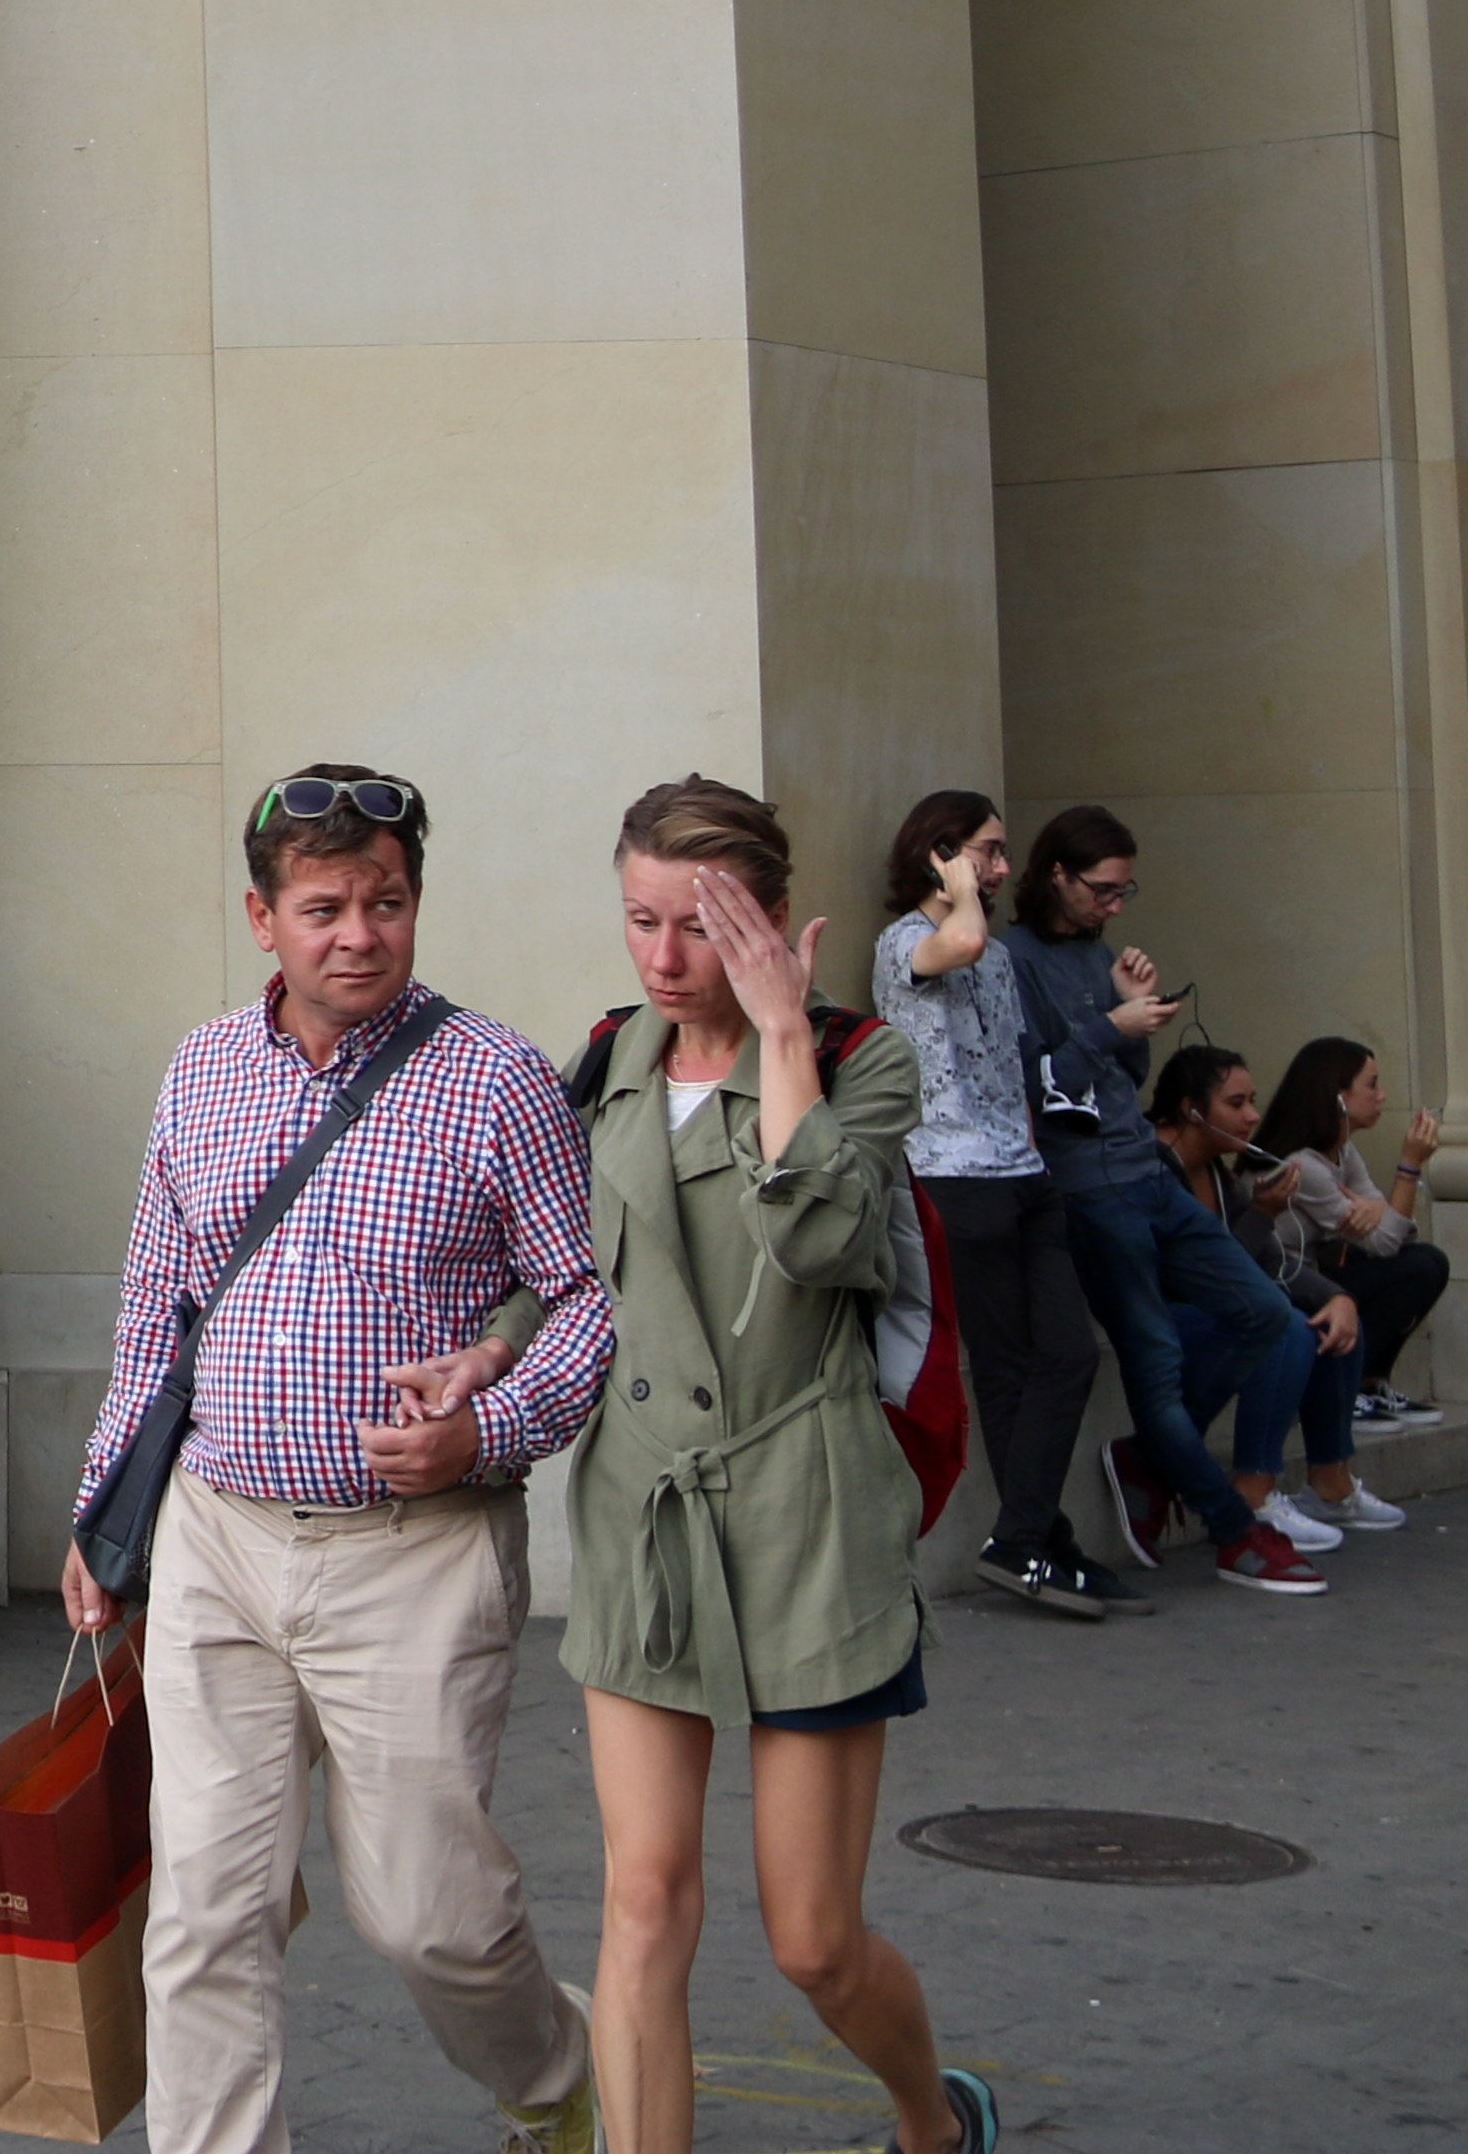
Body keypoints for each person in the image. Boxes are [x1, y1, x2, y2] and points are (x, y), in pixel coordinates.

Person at [64, 764, 608, 2154]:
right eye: (325, 907)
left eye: (387, 903)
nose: (358, 933)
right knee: (204, 1910)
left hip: (412, 1559)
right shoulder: (201, 1070)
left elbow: (588, 1297)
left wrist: (486, 1426)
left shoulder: (494, 1078)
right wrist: (98, 1511)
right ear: (263, 918)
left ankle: (563, 2077)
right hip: (216, 1540)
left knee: (428, 1916)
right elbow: (156, 1309)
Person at [525, 779, 995, 2154]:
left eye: (698, 927)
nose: (664, 960)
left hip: (808, 1518)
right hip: (645, 1515)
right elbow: (563, 1267)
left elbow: (826, 1248)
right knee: (644, 1901)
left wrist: (784, 1029)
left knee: (813, 1944)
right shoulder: (608, 1060)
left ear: (774, 920)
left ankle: (931, 2121)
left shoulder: (862, 1061)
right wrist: (485, 1356)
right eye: (641, 922)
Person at [995, 807, 1318, 1592]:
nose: (1115, 906)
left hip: (1146, 1173)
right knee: (1157, 1361)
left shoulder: (1094, 951)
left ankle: (1152, 1456)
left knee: (1266, 1314)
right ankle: (1231, 1527)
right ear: (1058, 877)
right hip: (1089, 1190)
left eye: (1124, 891)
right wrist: (1114, 1023)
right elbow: (1037, 1088)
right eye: (1103, 890)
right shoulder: (1012, 959)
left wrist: (1133, 1018)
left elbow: (1123, 1079)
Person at [869, 791, 1113, 1619]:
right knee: (1007, 1368)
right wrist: (960, 888)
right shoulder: (907, 942)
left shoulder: (999, 959)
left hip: (1023, 1173)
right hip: (953, 1177)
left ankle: (1028, 1536)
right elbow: (962, 940)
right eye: (989, 850)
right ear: (941, 854)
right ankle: (1040, 1543)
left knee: (1069, 1353)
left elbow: (1012, 1058)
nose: (1004, 867)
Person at [1151, 1045, 1387, 1548]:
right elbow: (1202, 1274)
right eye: (1236, 1104)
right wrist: (1261, 1215)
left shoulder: (1219, 1172)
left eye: (1253, 1100)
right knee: (1282, 1331)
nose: (1253, 1115)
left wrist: (1336, 1295)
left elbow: (1268, 1261)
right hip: (1161, 1317)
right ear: (1193, 1111)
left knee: (1332, 1320)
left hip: (1219, 1310)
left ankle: (1330, 1483)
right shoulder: (1154, 1172)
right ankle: (1251, 1492)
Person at [1259, 1036, 1455, 1427]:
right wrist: (1409, 1167)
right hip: (1284, 1281)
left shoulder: (1343, 1152)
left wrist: (1381, 1208)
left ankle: (1368, 1382)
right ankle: (1342, 1391)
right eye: (1372, 1085)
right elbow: (1384, 1241)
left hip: (1316, 1273)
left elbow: (1396, 1233)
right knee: (1415, 1266)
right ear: (1336, 1096)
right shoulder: (1304, 1167)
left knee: (1426, 1261)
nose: (1382, 1096)